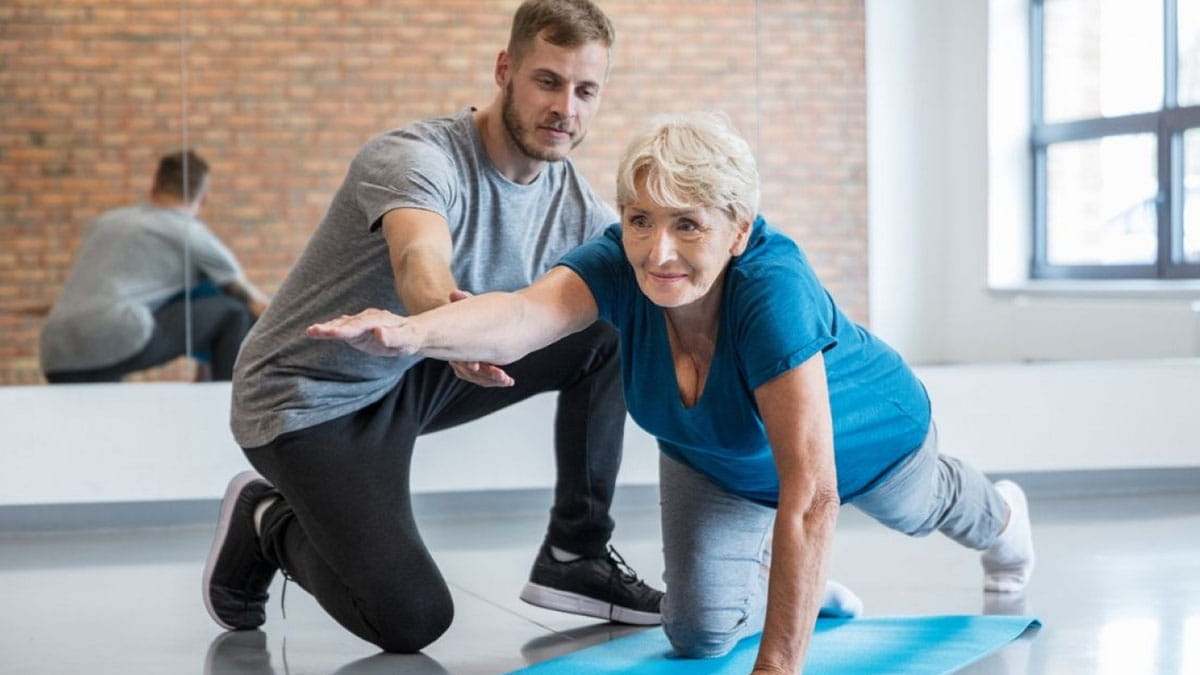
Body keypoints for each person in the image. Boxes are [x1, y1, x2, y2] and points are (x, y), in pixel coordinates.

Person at [308, 113, 1036, 672]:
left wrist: (779, 663)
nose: (658, 251)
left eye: (688, 224)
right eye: (641, 220)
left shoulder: (772, 291)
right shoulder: (619, 263)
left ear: (738, 230)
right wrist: (415, 332)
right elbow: (523, 316)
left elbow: (812, 493)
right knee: (695, 634)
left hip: (867, 440)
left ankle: (1003, 517)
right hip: (714, 456)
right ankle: (810, 589)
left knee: (922, 508)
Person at [202, 0, 664, 655]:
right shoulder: (417, 158)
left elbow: (649, 284)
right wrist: (431, 326)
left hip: (408, 377)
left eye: (585, 89)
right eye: (548, 81)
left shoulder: (574, 206)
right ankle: (265, 517)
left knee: (609, 326)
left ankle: (576, 553)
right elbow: (421, 259)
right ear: (505, 69)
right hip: (305, 400)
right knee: (411, 620)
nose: (566, 107)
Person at [39, 150, 269, 383]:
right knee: (233, 312)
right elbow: (252, 302)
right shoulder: (188, 231)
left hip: (55, 352)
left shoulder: (107, 221)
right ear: (204, 197)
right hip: (113, 340)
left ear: (155, 185)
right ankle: (227, 406)